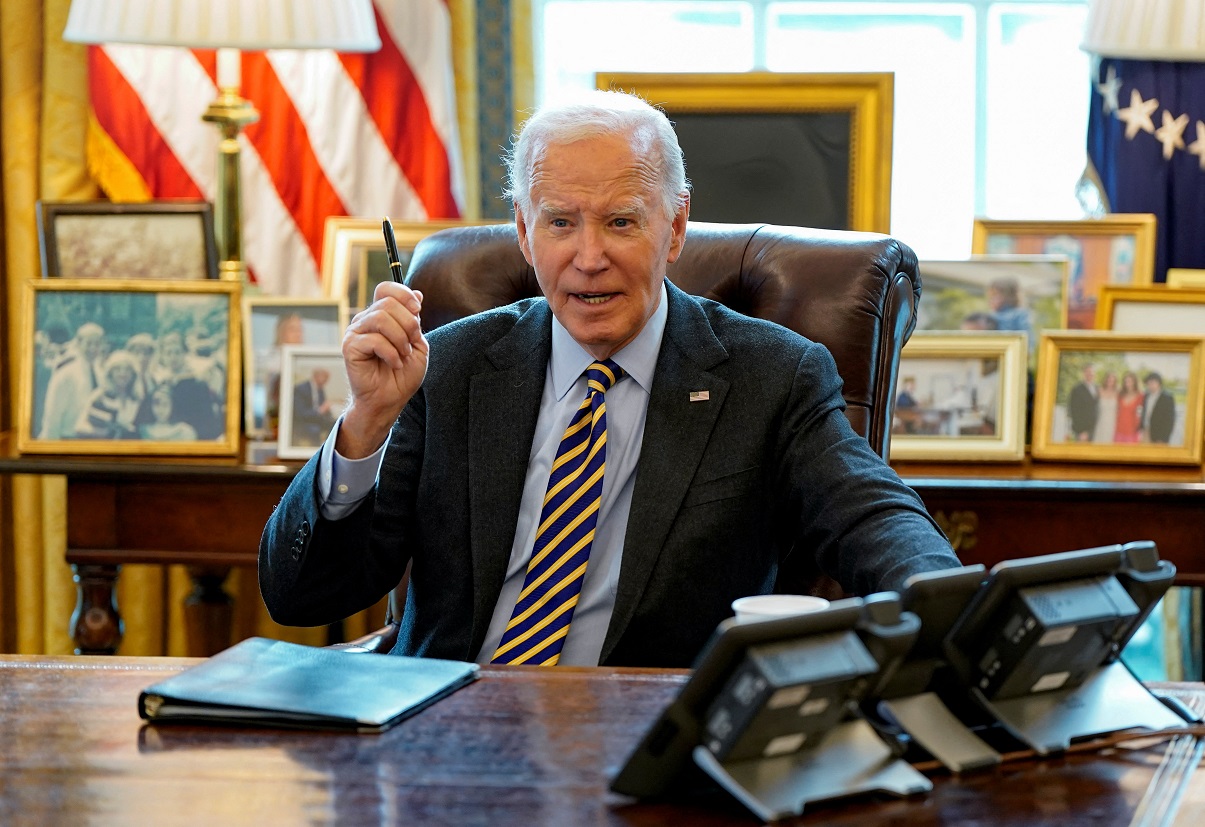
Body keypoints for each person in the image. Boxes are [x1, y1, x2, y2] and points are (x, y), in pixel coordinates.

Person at [259, 89, 960, 668]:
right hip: (443, 728)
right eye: (559, 221)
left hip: (644, 736)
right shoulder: (446, 369)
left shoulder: (770, 376)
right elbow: (301, 596)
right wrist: (363, 427)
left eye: (621, 221)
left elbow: (876, 520)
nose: (587, 257)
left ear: (675, 225)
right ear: (524, 231)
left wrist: (958, 612)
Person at [39, 322, 106, 440]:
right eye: (89, 343)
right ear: (79, 344)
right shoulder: (66, 373)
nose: (93, 348)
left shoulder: (101, 372)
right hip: (68, 437)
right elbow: (53, 414)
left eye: (97, 344)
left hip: (93, 439)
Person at [290, 367, 338, 447]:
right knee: (315, 430)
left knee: (335, 424)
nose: (327, 381)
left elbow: (323, 408)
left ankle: (328, 448)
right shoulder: (301, 389)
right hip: (303, 422)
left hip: (316, 419)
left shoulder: (320, 389)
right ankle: (316, 452)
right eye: (325, 377)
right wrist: (320, 411)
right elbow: (300, 413)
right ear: (317, 376)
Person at [1066, 363, 1098, 442]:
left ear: (1094, 374)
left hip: (1096, 430)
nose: (1090, 374)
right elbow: (1074, 412)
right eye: (1087, 372)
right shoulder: (1077, 389)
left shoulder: (1098, 388)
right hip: (1082, 432)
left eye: (1091, 372)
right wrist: (1081, 432)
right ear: (1083, 373)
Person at [1142, 372, 1175, 444]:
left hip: (1159, 436)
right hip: (1146, 432)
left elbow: (1170, 421)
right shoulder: (1146, 396)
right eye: (1148, 383)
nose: (1150, 385)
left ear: (1159, 383)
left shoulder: (1167, 398)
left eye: (1152, 383)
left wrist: (1163, 438)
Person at [1115, 371, 1143, 443]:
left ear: (1135, 382)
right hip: (1118, 430)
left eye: (1130, 381)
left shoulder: (1140, 396)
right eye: (1126, 381)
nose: (1128, 383)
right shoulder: (1120, 394)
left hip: (1132, 432)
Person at [1092, 371, 1119, 444]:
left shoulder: (1118, 392)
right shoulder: (1099, 390)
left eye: (1112, 380)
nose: (1110, 381)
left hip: (1113, 423)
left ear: (1115, 381)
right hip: (1100, 422)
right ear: (1105, 380)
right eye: (1109, 379)